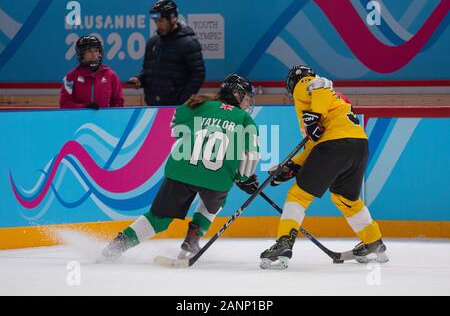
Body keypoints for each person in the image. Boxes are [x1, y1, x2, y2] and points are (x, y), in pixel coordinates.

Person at [100, 74, 260, 261]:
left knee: (158, 218)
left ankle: (118, 244)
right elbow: (251, 155)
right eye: (248, 97)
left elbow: (175, 125)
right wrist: (244, 178)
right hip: (216, 178)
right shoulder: (244, 120)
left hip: (181, 168)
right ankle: (193, 236)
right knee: (213, 203)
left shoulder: (200, 105)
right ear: (236, 94)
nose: (249, 103)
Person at [259, 65, 388, 269]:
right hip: (359, 145)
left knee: (298, 196)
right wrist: (292, 166)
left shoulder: (306, 85)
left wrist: (314, 117)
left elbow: (321, 82)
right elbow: (313, 145)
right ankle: (373, 240)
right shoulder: (334, 98)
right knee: (346, 198)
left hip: (335, 145)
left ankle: (283, 243)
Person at [127, 0, 205, 106]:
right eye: (156, 22)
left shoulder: (189, 43)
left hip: (176, 107)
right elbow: (148, 69)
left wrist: (183, 100)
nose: (158, 24)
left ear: (173, 19)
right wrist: (140, 79)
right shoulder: (152, 42)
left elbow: (198, 75)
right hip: (152, 105)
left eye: (161, 21)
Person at [60, 36, 124, 109]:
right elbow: (64, 104)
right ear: (81, 54)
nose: (94, 55)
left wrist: (109, 117)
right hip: (80, 119)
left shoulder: (111, 76)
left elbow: (118, 103)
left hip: (104, 119)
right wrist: (85, 107)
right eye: (89, 51)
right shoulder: (71, 77)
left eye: (96, 51)